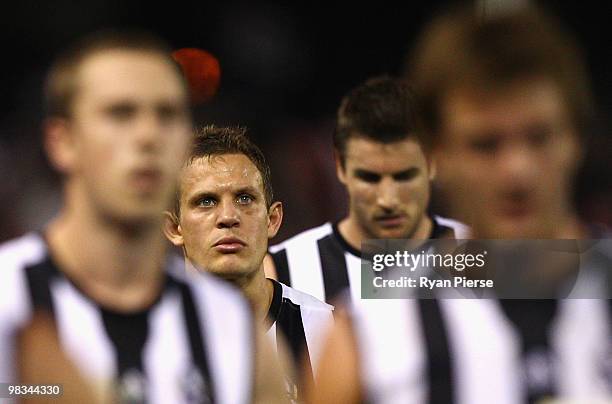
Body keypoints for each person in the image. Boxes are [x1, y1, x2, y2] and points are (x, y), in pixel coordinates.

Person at [311, 4, 611, 404]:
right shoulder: (368, 337)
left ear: (577, 137)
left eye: (539, 137)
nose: (517, 171)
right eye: (485, 145)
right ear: (437, 154)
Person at [0, 30, 286, 403]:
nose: (148, 135)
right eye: (120, 113)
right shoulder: (8, 296)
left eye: (166, 115)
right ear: (62, 141)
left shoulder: (231, 326)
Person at [163, 125, 334, 401]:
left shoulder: (325, 331)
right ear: (174, 227)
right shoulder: (145, 333)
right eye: (206, 201)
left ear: (272, 219)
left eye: (245, 198)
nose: (228, 216)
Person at [266, 76, 467, 304]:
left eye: (404, 176)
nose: (388, 200)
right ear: (340, 167)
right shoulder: (282, 272)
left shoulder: (484, 256)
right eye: (370, 178)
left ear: (432, 163)